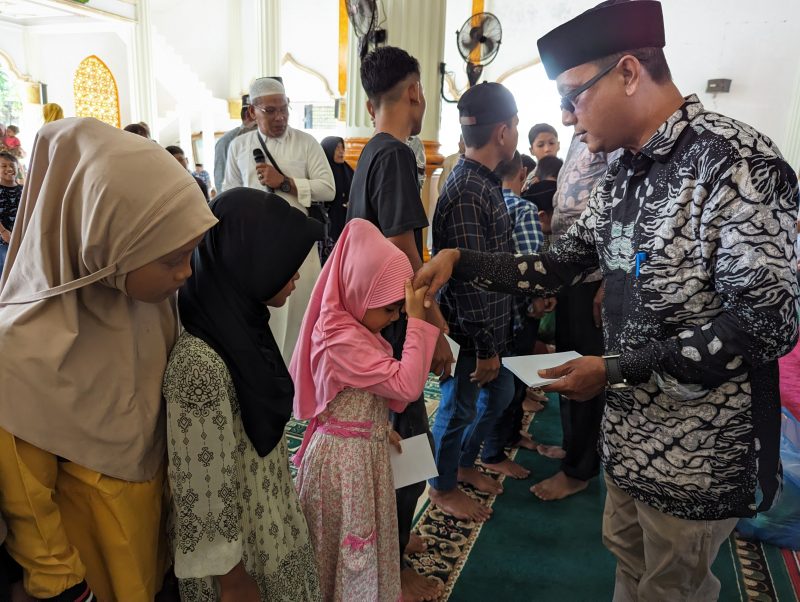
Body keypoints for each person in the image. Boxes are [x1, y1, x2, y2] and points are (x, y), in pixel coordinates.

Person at [414, 1, 799, 599]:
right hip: (628, 436)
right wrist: (462, 260)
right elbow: (562, 263)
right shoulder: (623, 173)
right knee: (628, 565)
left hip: (694, 452)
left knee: (672, 587)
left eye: (574, 95)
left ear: (627, 72)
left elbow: (766, 322)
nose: (566, 118)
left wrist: (618, 369)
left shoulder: (738, 165)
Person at [0, 117, 217, 602]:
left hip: (157, 537)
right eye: (171, 259)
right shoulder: (19, 352)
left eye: (191, 255)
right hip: (94, 566)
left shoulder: (149, 302)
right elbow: (27, 499)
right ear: (105, 244)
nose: (185, 273)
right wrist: (60, 584)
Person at [164, 188, 323, 601]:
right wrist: (233, 581)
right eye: (284, 265)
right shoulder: (199, 365)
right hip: (240, 562)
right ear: (247, 260)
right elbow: (199, 492)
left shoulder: (242, 327)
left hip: (270, 517)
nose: (295, 278)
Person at [346, 46, 450, 602]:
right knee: (409, 442)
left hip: (380, 324)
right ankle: (394, 571)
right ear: (414, 92)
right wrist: (430, 325)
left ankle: (391, 534)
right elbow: (403, 247)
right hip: (393, 325)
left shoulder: (371, 153)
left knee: (394, 438)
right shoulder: (395, 155)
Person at [291, 219, 439, 602]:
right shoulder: (339, 337)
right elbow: (406, 385)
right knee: (348, 546)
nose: (395, 318)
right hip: (345, 466)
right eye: (390, 309)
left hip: (359, 451)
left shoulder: (355, 326)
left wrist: (374, 428)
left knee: (361, 539)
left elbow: (377, 394)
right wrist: (419, 324)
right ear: (359, 291)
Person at [429, 82, 519, 523]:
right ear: (502, 132)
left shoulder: (484, 183)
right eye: (516, 125)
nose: (516, 133)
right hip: (470, 330)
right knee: (458, 406)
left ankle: (464, 465)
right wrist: (485, 345)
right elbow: (467, 281)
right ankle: (441, 485)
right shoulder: (468, 189)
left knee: (498, 395)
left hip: (489, 329)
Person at [224, 77, 335, 364]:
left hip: (298, 248)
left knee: (301, 320)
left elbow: (328, 188)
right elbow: (229, 195)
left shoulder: (306, 143)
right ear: (252, 112)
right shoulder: (238, 147)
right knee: (262, 321)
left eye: (284, 109)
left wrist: (285, 183)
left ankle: (300, 385)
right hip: (255, 250)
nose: (280, 117)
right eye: (270, 111)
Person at [318, 136, 353, 262]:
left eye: (342, 147)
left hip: (346, 219)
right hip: (330, 223)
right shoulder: (322, 174)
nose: (341, 151)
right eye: (337, 148)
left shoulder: (347, 170)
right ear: (328, 150)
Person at [0, 152, 21, 274]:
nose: (9, 169)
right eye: (3, 166)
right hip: (2, 241)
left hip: (22, 239)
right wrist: (3, 232)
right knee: (5, 271)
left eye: (12, 166)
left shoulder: (24, 190)